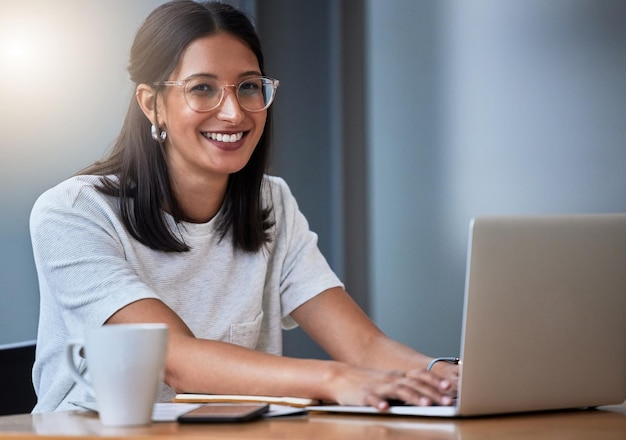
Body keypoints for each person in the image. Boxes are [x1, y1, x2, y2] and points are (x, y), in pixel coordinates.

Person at [29, 0, 458, 413]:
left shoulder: (271, 202)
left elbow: (363, 347)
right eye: (203, 89)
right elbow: (177, 359)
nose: (234, 113)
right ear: (151, 103)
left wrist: (447, 377)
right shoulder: (72, 213)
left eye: (249, 87)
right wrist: (336, 380)